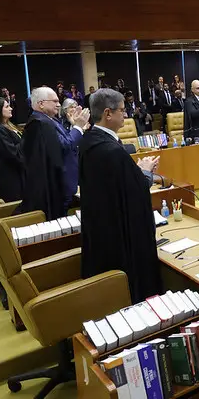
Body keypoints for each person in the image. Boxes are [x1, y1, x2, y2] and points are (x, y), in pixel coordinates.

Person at [78, 88, 162, 304]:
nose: (126, 115)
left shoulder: (89, 141)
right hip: (120, 236)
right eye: (122, 111)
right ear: (108, 113)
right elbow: (135, 192)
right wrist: (144, 171)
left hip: (101, 228)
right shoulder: (112, 151)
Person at [20, 87, 89, 219]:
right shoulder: (40, 123)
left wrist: (73, 125)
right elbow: (63, 146)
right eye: (55, 101)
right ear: (41, 103)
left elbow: (65, 141)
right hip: (54, 187)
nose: (58, 104)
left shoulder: (49, 120)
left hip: (63, 183)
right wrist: (78, 127)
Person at [0, 96, 25, 203]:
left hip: (16, 175)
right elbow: (12, 153)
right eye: (7, 106)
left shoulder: (8, 125)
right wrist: (27, 142)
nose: (11, 108)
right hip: (8, 179)